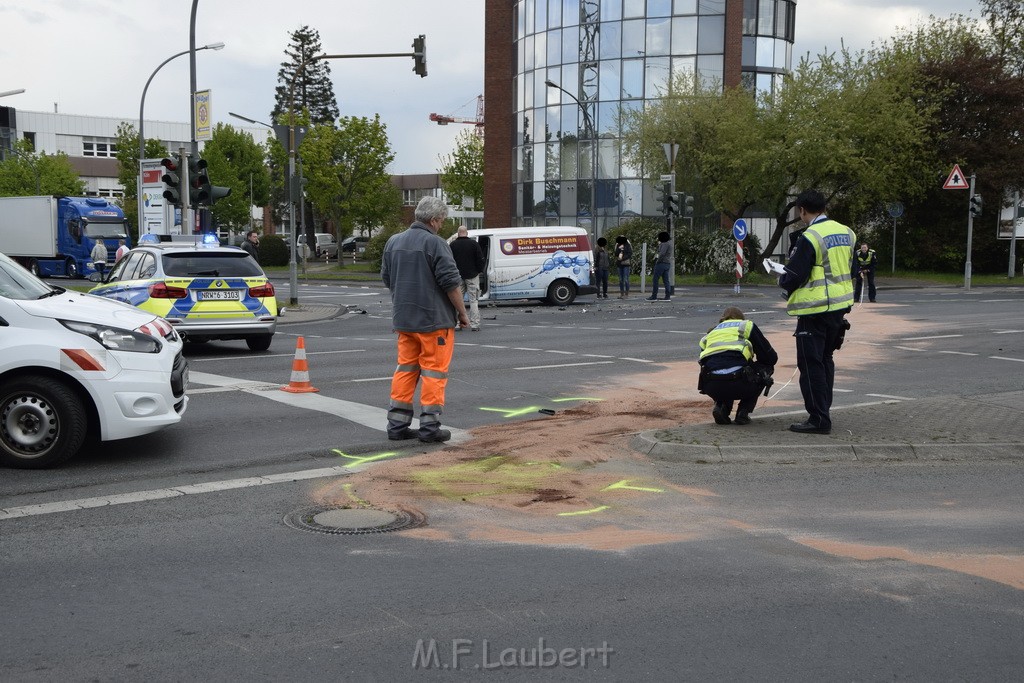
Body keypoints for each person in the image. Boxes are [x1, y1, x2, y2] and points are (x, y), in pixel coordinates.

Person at [381, 196, 470, 443]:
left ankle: (396, 425)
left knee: (406, 370)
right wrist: (462, 314)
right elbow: (451, 283)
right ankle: (430, 427)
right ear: (433, 220)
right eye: (441, 221)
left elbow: (387, 278)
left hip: (404, 321)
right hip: (434, 323)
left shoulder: (393, 242)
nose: (442, 225)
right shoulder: (436, 243)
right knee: (434, 373)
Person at [777, 189, 856, 435]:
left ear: (802, 210)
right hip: (839, 308)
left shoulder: (811, 236)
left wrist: (782, 280)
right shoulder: (847, 232)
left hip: (815, 309)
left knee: (811, 365)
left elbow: (795, 274)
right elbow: (847, 267)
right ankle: (824, 411)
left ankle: (819, 419)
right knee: (825, 361)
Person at [698, 307, 778, 425]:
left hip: (711, 386)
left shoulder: (710, 333)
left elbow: (707, 363)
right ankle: (743, 412)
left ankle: (722, 407)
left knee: (721, 369)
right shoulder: (746, 326)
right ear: (741, 318)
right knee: (765, 368)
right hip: (740, 384)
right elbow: (770, 357)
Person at [450, 225, 485, 331]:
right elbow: (480, 259)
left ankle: (457, 323)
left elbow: (449, 260)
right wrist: (478, 271)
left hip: (458, 276)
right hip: (472, 275)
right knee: (473, 300)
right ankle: (475, 324)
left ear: (458, 233)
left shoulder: (453, 245)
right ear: (467, 233)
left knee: (457, 300)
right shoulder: (474, 244)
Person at [647, 231, 672, 301]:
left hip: (661, 263)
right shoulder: (669, 244)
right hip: (667, 263)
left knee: (655, 279)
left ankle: (654, 296)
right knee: (666, 280)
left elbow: (661, 254)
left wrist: (657, 261)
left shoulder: (664, 244)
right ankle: (667, 296)